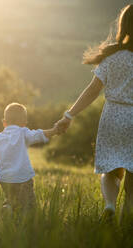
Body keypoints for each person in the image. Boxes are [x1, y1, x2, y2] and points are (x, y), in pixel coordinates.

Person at [55, 4, 133, 223]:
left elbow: (91, 92)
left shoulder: (112, 58)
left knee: (110, 168)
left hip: (112, 118)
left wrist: (68, 116)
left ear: (123, 26)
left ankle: (109, 205)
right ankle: (127, 219)